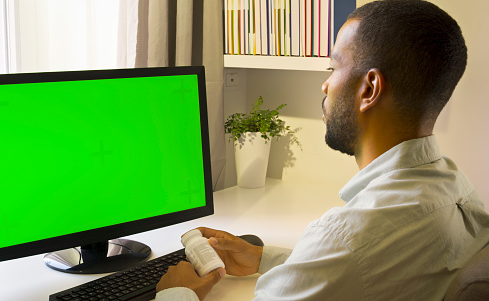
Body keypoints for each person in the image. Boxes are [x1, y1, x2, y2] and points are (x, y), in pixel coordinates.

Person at [155, 0, 489, 300]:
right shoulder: (455, 186)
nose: (325, 85)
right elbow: (365, 270)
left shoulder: (348, 237)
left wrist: (177, 294)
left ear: (369, 88)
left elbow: (353, 256)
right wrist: (263, 258)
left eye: (332, 68)